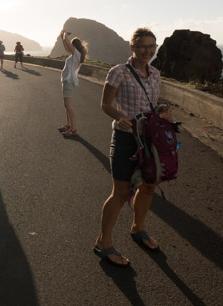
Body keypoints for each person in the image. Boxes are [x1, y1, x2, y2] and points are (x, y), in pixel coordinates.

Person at [94, 27, 172, 267]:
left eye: (152, 46)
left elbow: (154, 103)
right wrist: (119, 116)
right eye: (142, 46)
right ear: (132, 47)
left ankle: (138, 228)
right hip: (126, 138)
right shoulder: (118, 72)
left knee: (148, 185)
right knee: (120, 192)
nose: (147, 51)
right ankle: (103, 242)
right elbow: (105, 104)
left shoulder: (156, 73)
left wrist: (163, 110)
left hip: (149, 139)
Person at [57, 30, 87, 137]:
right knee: (66, 105)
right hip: (66, 82)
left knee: (69, 106)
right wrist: (62, 36)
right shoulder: (74, 55)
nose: (69, 48)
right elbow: (66, 45)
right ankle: (68, 124)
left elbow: (67, 42)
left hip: (68, 82)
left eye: (71, 46)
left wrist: (65, 34)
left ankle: (73, 128)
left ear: (74, 46)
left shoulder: (76, 54)